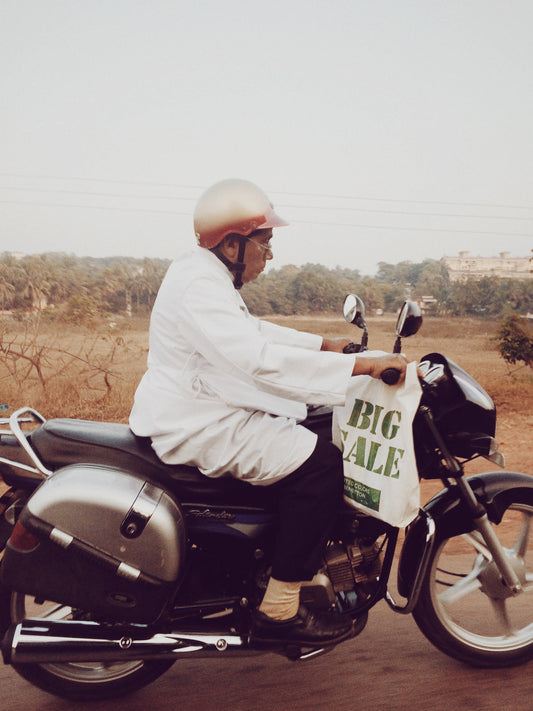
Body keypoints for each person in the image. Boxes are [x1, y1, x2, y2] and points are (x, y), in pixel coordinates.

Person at [129, 178, 407, 647]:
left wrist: (323, 344)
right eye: (265, 241)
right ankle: (280, 609)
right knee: (320, 467)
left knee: (307, 432)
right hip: (199, 421)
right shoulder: (199, 283)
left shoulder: (202, 273)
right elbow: (257, 359)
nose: (269, 254)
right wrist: (360, 364)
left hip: (203, 407)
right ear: (233, 243)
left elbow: (249, 330)